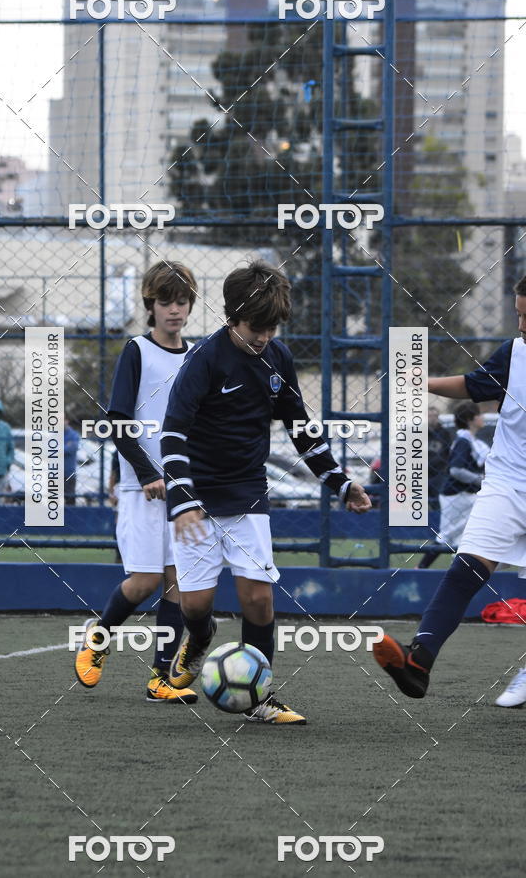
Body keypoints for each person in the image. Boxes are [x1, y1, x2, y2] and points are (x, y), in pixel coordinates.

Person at [160, 261, 372, 724]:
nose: (264, 336)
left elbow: (301, 428)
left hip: (247, 494)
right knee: (195, 605)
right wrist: (182, 499)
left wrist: (339, 482)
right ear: (232, 317)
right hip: (196, 499)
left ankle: (260, 698)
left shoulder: (278, 358)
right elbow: (172, 433)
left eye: (272, 327)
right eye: (256, 327)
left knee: (258, 598)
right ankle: (200, 636)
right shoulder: (204, 360)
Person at [373, 275, 526, 703]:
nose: (521, 325)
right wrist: (419, 382)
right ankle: (418, 661)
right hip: (507, 483)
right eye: (518, 314)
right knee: (465, 570)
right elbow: (474, 385)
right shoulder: (515, 353)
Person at [75, 261, 200, 703]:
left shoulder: (197, 356)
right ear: (151, 305)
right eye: (166, 302)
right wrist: (147, 473)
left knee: (178, 583)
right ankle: (97, 639)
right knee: (145, 581)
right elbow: (118, 421)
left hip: (183, 488)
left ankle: (160, 678)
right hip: (141, 487)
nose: (174, 310)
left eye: (182, 301)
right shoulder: (137, 351)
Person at [417, 402, 489, 569]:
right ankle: (420, 568)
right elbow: (456, 470)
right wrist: (481, 479)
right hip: (457, 495)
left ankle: (458, 568)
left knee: (463, 537)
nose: (482, 417)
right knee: (447, 536)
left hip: (465, 495)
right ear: (470, 419)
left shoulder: (470, 440)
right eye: (478, 415)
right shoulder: (464, 441)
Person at [426, 406, 452, 511]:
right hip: (420, 473)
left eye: (435, 416)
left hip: (439, 474)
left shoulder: (444, 433)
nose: (432, 418)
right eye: (429, 416)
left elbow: (448, 453)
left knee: (438, 502)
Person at [64, 415, 80, 505]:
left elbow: (71, 449)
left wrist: (56, 448)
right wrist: (66, 446)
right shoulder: (53, 434)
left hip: (69, 474)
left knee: (70, 502)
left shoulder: (74, 435)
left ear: (67, 420)